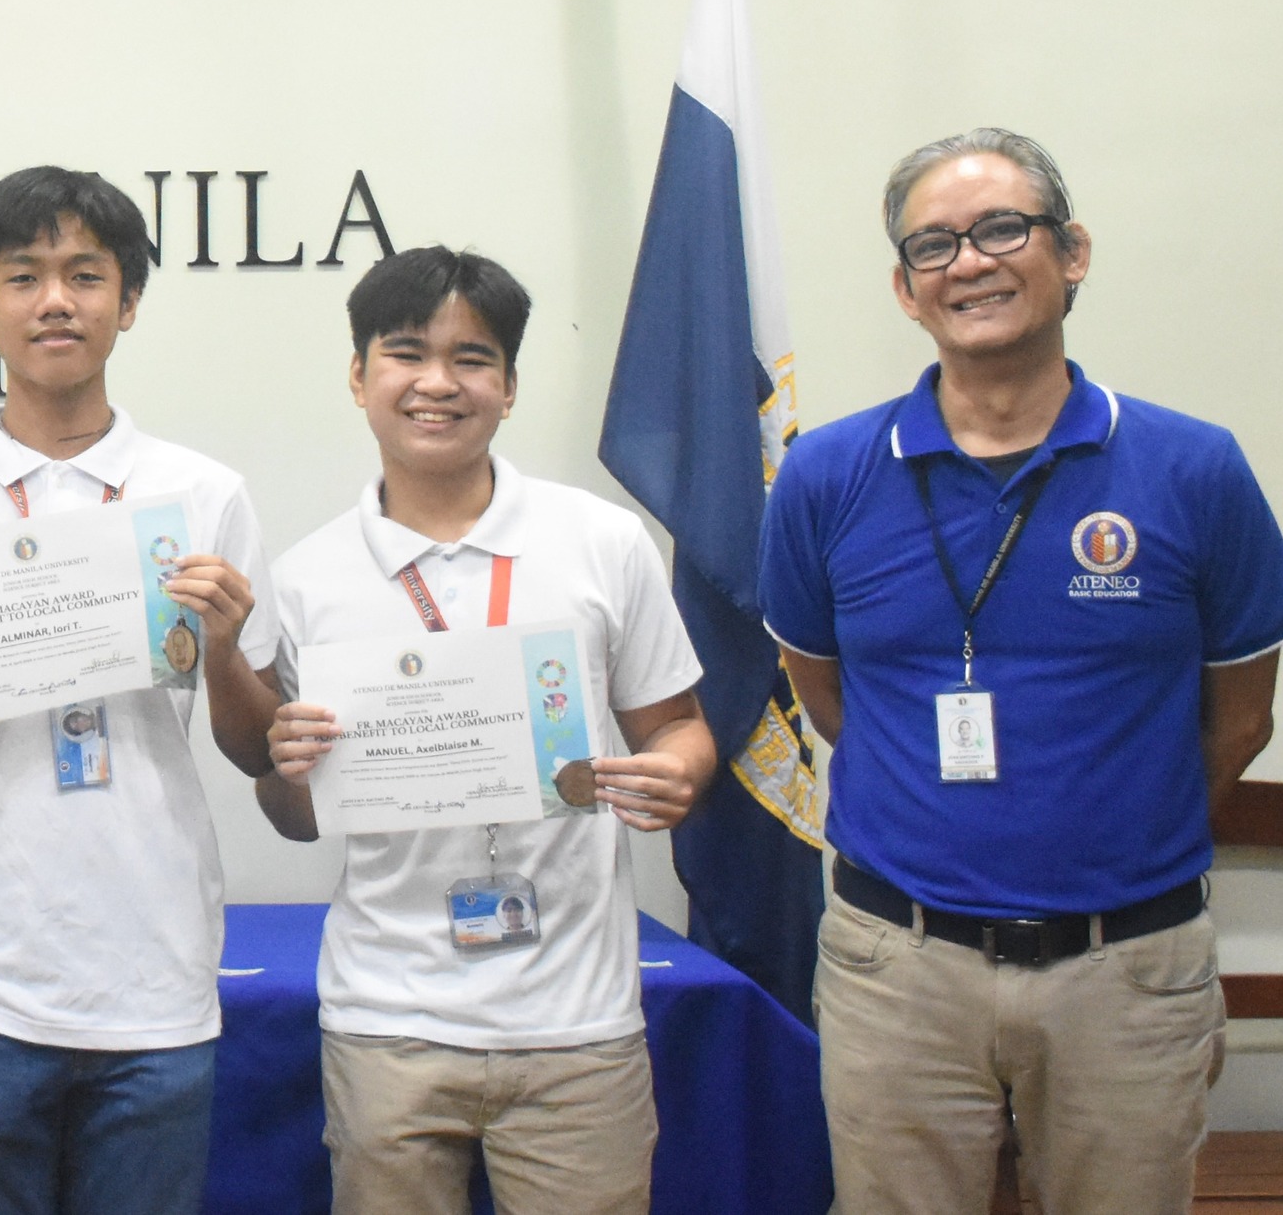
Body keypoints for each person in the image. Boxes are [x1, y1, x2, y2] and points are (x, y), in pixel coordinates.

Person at [760, 128, 1283, 1214]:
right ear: (904, 291)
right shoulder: (822, 474)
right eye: (932, 245)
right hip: (896, 965)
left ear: (1071, 251)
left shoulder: (1194, 468)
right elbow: (825, 694)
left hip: (1126, 972)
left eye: (1001, 228)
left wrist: (1108, 835)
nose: (968, 261)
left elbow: (1238, 718)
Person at [0, 165, 280, 1213]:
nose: (55, 300)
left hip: (155, 953)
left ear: (126, 303)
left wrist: (223, 647)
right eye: (23, 276)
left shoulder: (201, 491)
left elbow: (256, 747)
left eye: (85, 276)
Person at [260, 246, 715, 1215]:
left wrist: (674, 772)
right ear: (357, 375)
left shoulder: (598, 540)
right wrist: (285, 764)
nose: (436, 382)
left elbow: (676, 725)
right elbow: (295, 813)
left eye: (471, 358)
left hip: (577, 1020)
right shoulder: (306, 575)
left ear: (507, 386)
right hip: (388, 1016)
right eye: (404, 352)